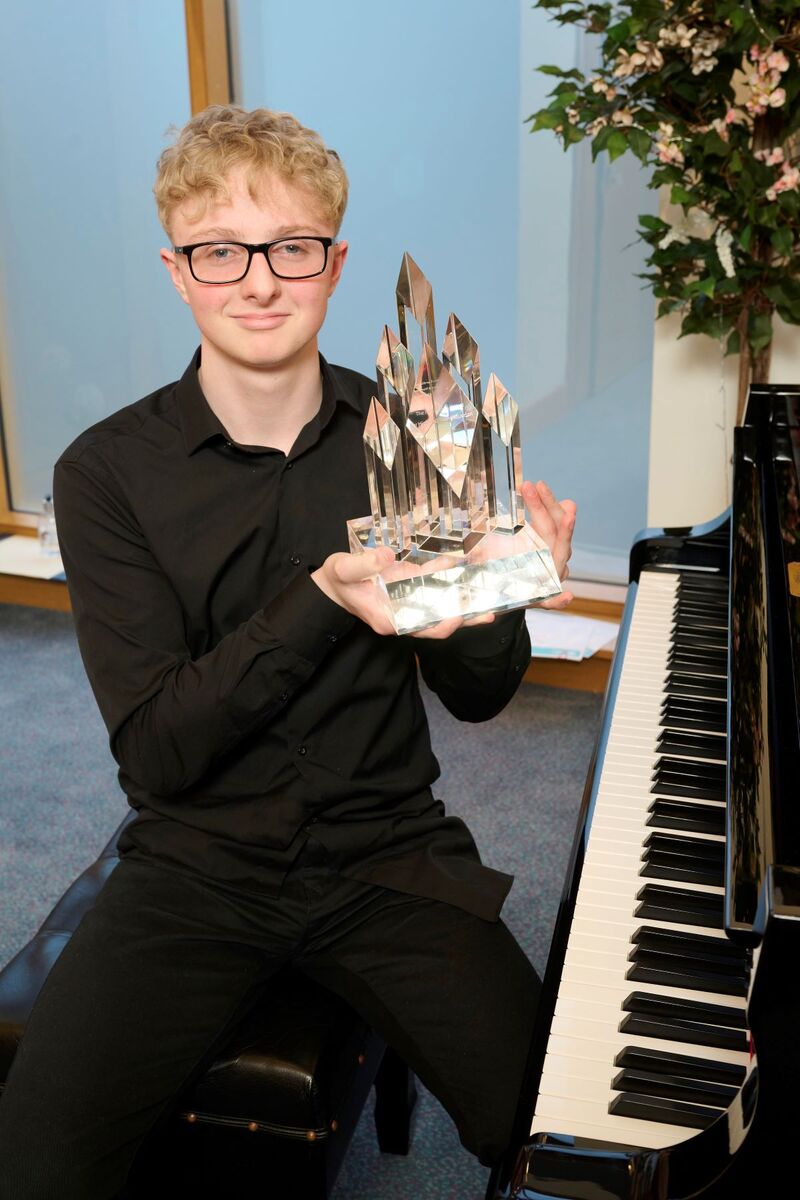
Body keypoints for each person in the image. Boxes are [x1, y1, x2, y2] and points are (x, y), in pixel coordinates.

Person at [0, 105, 576, 1199]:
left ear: (332, 262)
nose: (258, 282)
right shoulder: (103, 474)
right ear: (178, 270)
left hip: (386, 855)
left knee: (559, 1132)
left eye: (290, 249)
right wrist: (321, 596)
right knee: (33, 1163)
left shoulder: (412, 443)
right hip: (194, 868)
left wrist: (503, 598)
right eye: (222, 251)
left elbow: (478, 699)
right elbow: (161, 753)